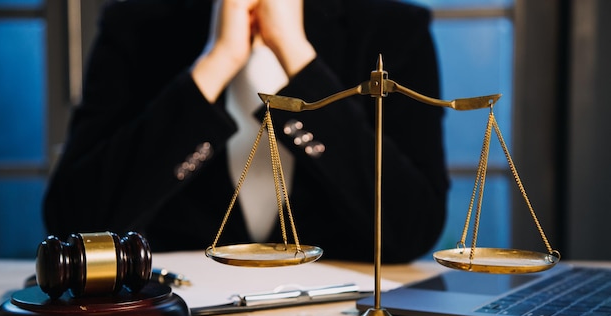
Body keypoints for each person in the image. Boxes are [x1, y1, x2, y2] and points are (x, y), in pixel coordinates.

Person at [43, 0, 449, 263]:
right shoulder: (135, 23)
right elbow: (74, 226)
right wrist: (216, 62)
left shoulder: (395, 29)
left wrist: (298, 57)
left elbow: (412, 230)